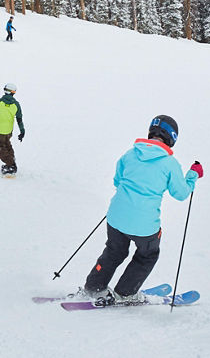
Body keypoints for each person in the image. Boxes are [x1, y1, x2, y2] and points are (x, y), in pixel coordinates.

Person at [81, 115, 203, 305]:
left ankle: (94, 286)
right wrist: (193, 175)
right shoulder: (169, 164)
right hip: (144, 225)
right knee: (147, 255)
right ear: (172, 138)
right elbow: (180, 193)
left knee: (114, 251)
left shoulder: (130, 154)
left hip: (116, 216)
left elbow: (117, 181)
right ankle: (126, 292)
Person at [0, 83, 25, 175]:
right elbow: (19, 119)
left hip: (0, 130)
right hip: (9, 131)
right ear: (13, 92)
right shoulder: (16, 104)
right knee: (7, 145)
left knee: (0, 147)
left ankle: (10, 165)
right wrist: (22, 131)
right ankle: (11, 162)